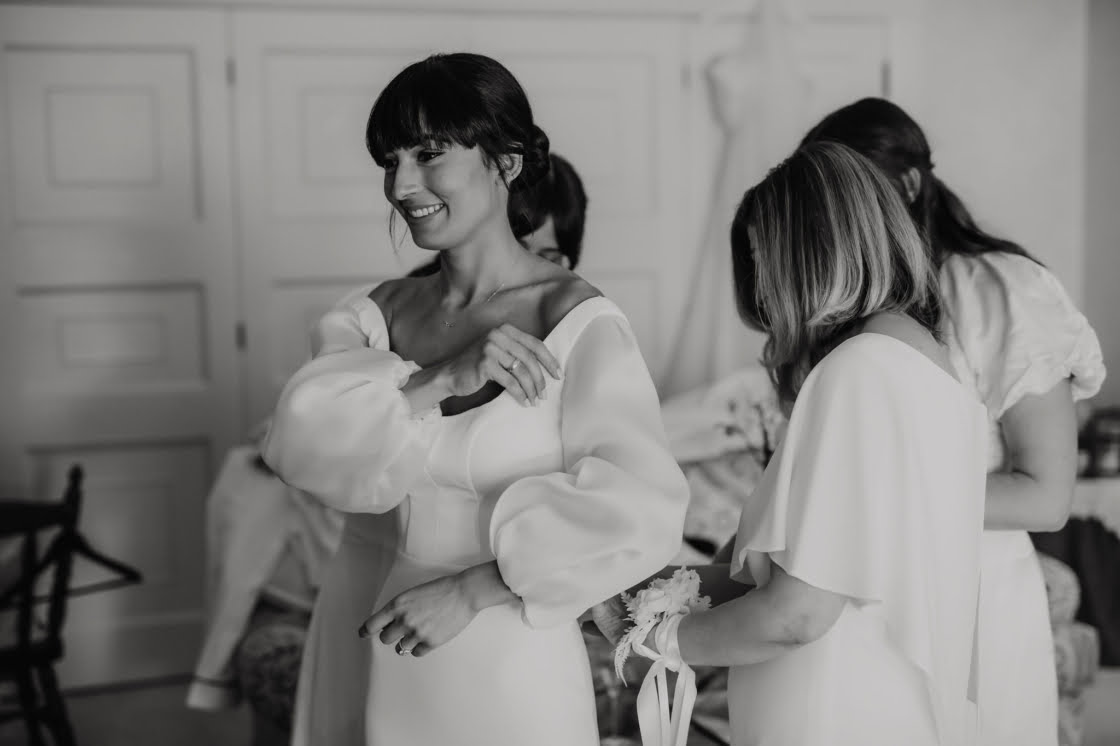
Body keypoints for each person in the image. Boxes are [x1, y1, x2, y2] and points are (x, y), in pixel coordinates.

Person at [261, 52, 688, 746]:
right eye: (391, 161)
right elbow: (299, 450)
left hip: (507, 653)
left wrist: (472, 590)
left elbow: (643, 511)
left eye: (429, 154)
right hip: (373, 629)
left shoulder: (577, 321)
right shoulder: (370, 315)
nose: (402, 184)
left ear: (505, 162)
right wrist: (439, 379)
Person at [597, 141, 990, 745]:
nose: (764, 296)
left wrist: (649, 641)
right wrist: (637, 596)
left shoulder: (858, 372)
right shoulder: (925, 363)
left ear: (811, 257)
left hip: (831, 712)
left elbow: (795, 615)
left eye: (766, 263)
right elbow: (788, 575)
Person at [800, 97, 1106, 746]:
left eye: (855, 195)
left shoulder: (999, 290)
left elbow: (1047, 497)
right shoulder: (854, 308)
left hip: (976, 594)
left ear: (909, 185)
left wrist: (870, 501)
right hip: (867, 604)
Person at [408, 152, 588, 276]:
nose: (529, 269)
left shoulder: (572, 309)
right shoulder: (409, 302)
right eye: (518, 249)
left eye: (548, 259)